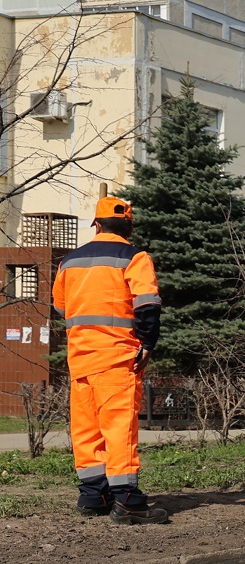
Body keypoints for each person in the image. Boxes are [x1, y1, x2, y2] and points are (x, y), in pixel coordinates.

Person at [51, 195, 168, 524]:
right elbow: (147, 304)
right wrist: (146, 343)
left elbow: (62, 307)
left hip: (80, 356)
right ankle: (128, 500)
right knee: (119, 429)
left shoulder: (69, 261)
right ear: (129, 228)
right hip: (116, 355)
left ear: (97, 225)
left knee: (86, 428)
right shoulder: (135, 257)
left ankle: (92, 495)